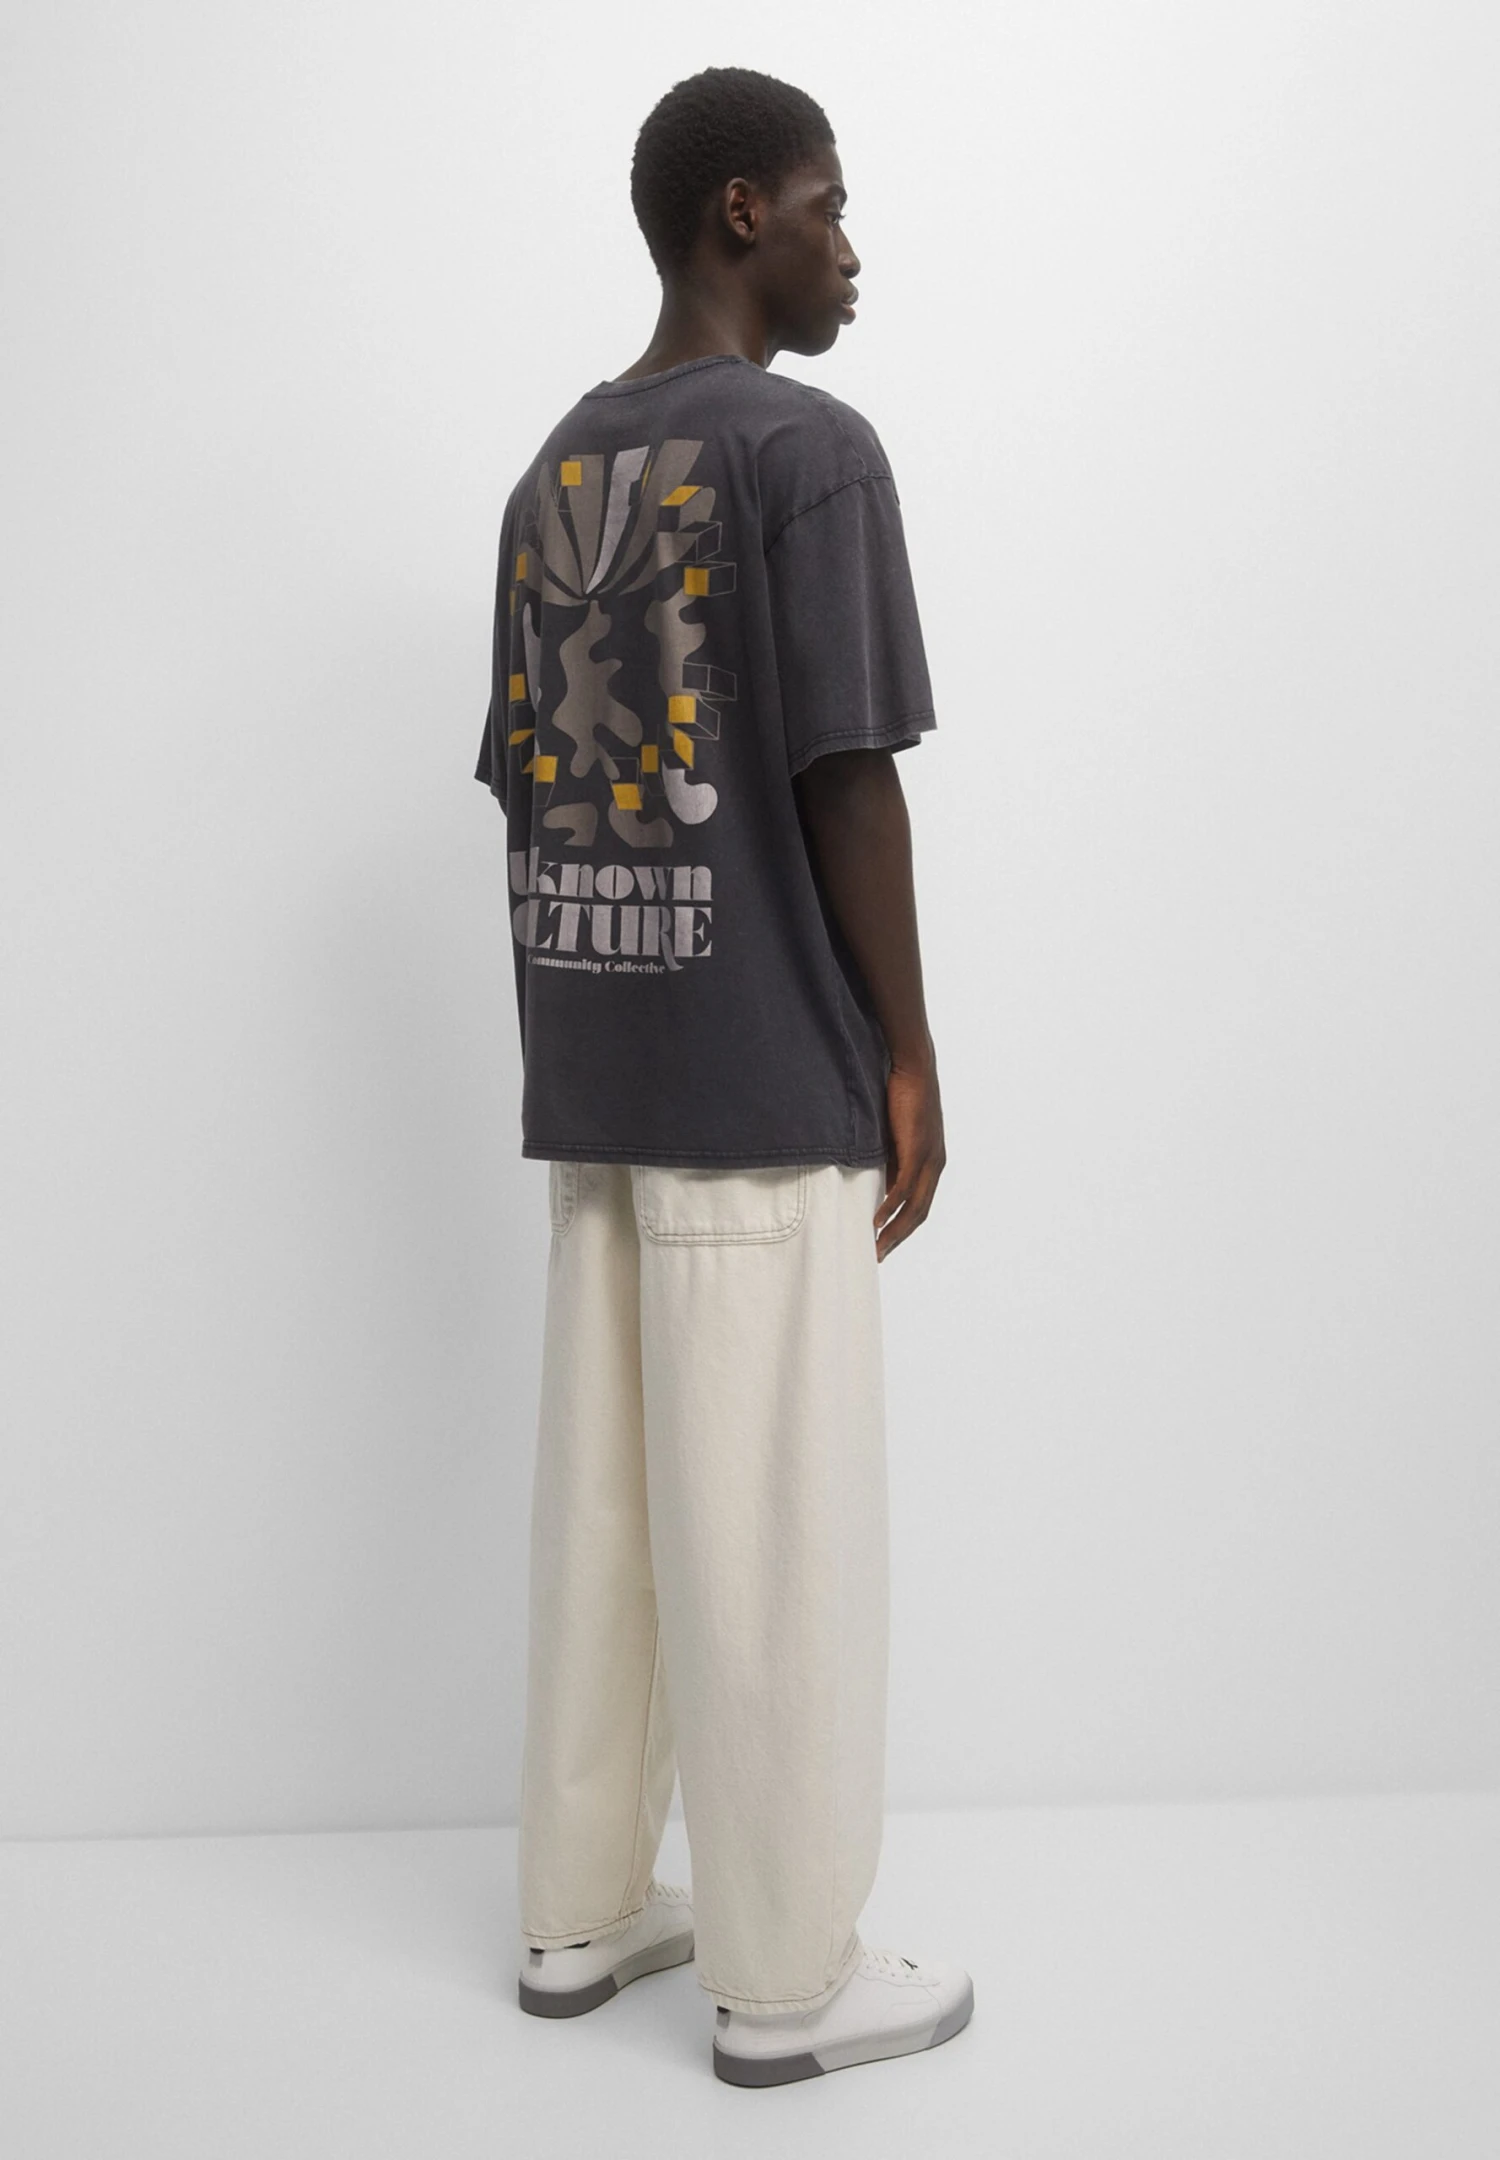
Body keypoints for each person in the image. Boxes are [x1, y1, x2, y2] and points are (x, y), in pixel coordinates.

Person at [473, 63, 972, 2087]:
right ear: (739, 212)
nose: (856, 248)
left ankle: (580, 1912)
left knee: (607, 1525)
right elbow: (844, 775)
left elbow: (531, 781)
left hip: (601, 1077)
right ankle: (786, 1979)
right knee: (771, 1539)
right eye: (831, 206)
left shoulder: (551, 473)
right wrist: (907, 1048)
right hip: (761, 1080)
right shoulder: (806, 453)